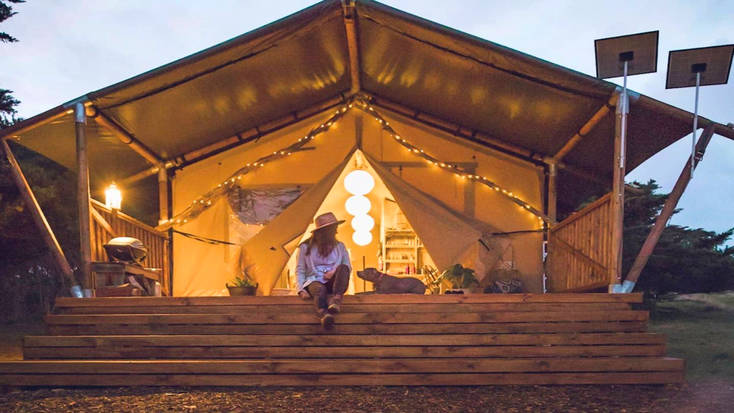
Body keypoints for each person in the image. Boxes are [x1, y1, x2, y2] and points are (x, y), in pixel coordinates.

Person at [296, 212, 351, 329]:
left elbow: (347, 265)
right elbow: (300, 269)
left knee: (344, 268)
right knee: (319, 289)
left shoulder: (340, 246)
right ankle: (324, 315)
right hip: (314, 281)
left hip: (334, 283)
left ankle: (336, 300)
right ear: (324, 232)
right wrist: (300, 289)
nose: (336, 232)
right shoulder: (305, 248)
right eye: (333, 229)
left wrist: (333, 271)